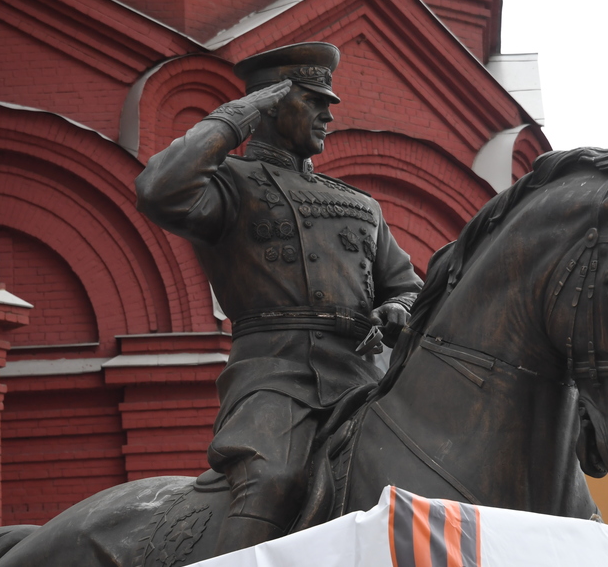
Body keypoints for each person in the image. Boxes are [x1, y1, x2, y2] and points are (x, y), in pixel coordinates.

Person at [135, 42, 422, 554]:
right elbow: (159, 189)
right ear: (270, 105)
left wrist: (398, 309)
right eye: (313, 100)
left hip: (363, 377)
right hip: (276, 376)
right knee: (271, 479)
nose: (328, 112)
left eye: (328, 101)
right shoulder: (231, 185)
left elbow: (407, 286)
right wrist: (235, 118)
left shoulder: (359, 205)